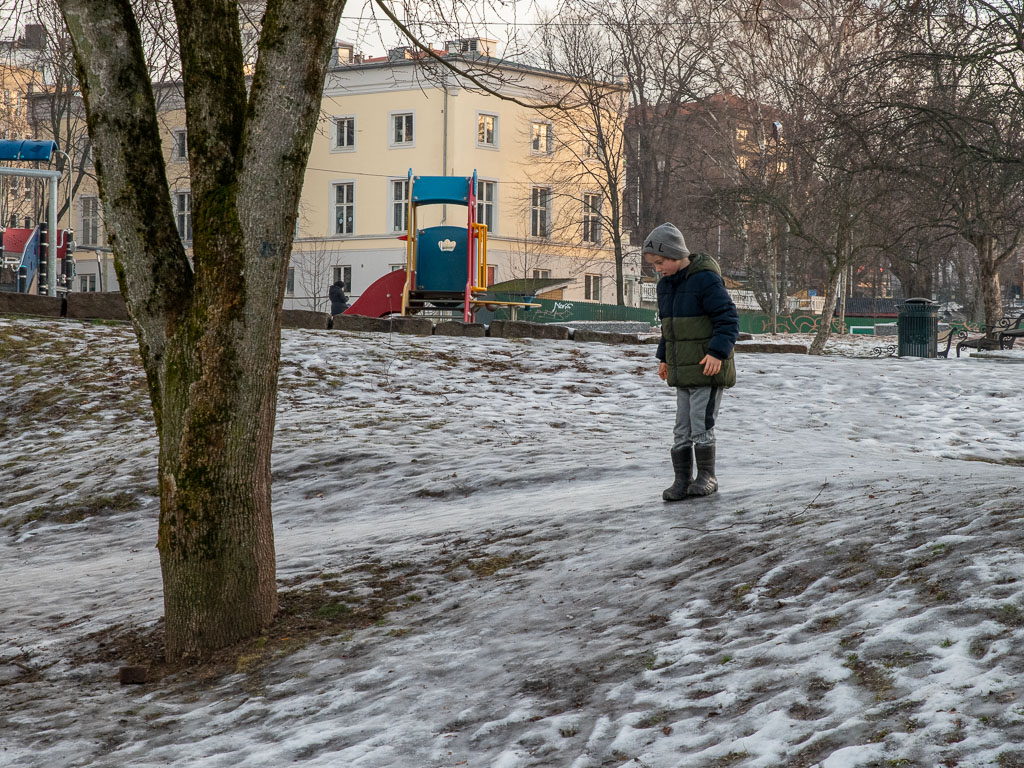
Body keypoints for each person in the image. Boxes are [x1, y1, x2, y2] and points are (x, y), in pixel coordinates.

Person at [646, 222, 739, 501]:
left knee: (701, 422)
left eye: (660, 262)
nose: (658, 269)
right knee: (682, 426)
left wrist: (717, 353)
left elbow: (728, 320)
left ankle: (707, 476)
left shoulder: (705, 279)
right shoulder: (665, 286)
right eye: (654, 265)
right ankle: (682, 480)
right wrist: (663, 357)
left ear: (675, 255)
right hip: (682, 368)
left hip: (707, 367)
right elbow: (670, 328)